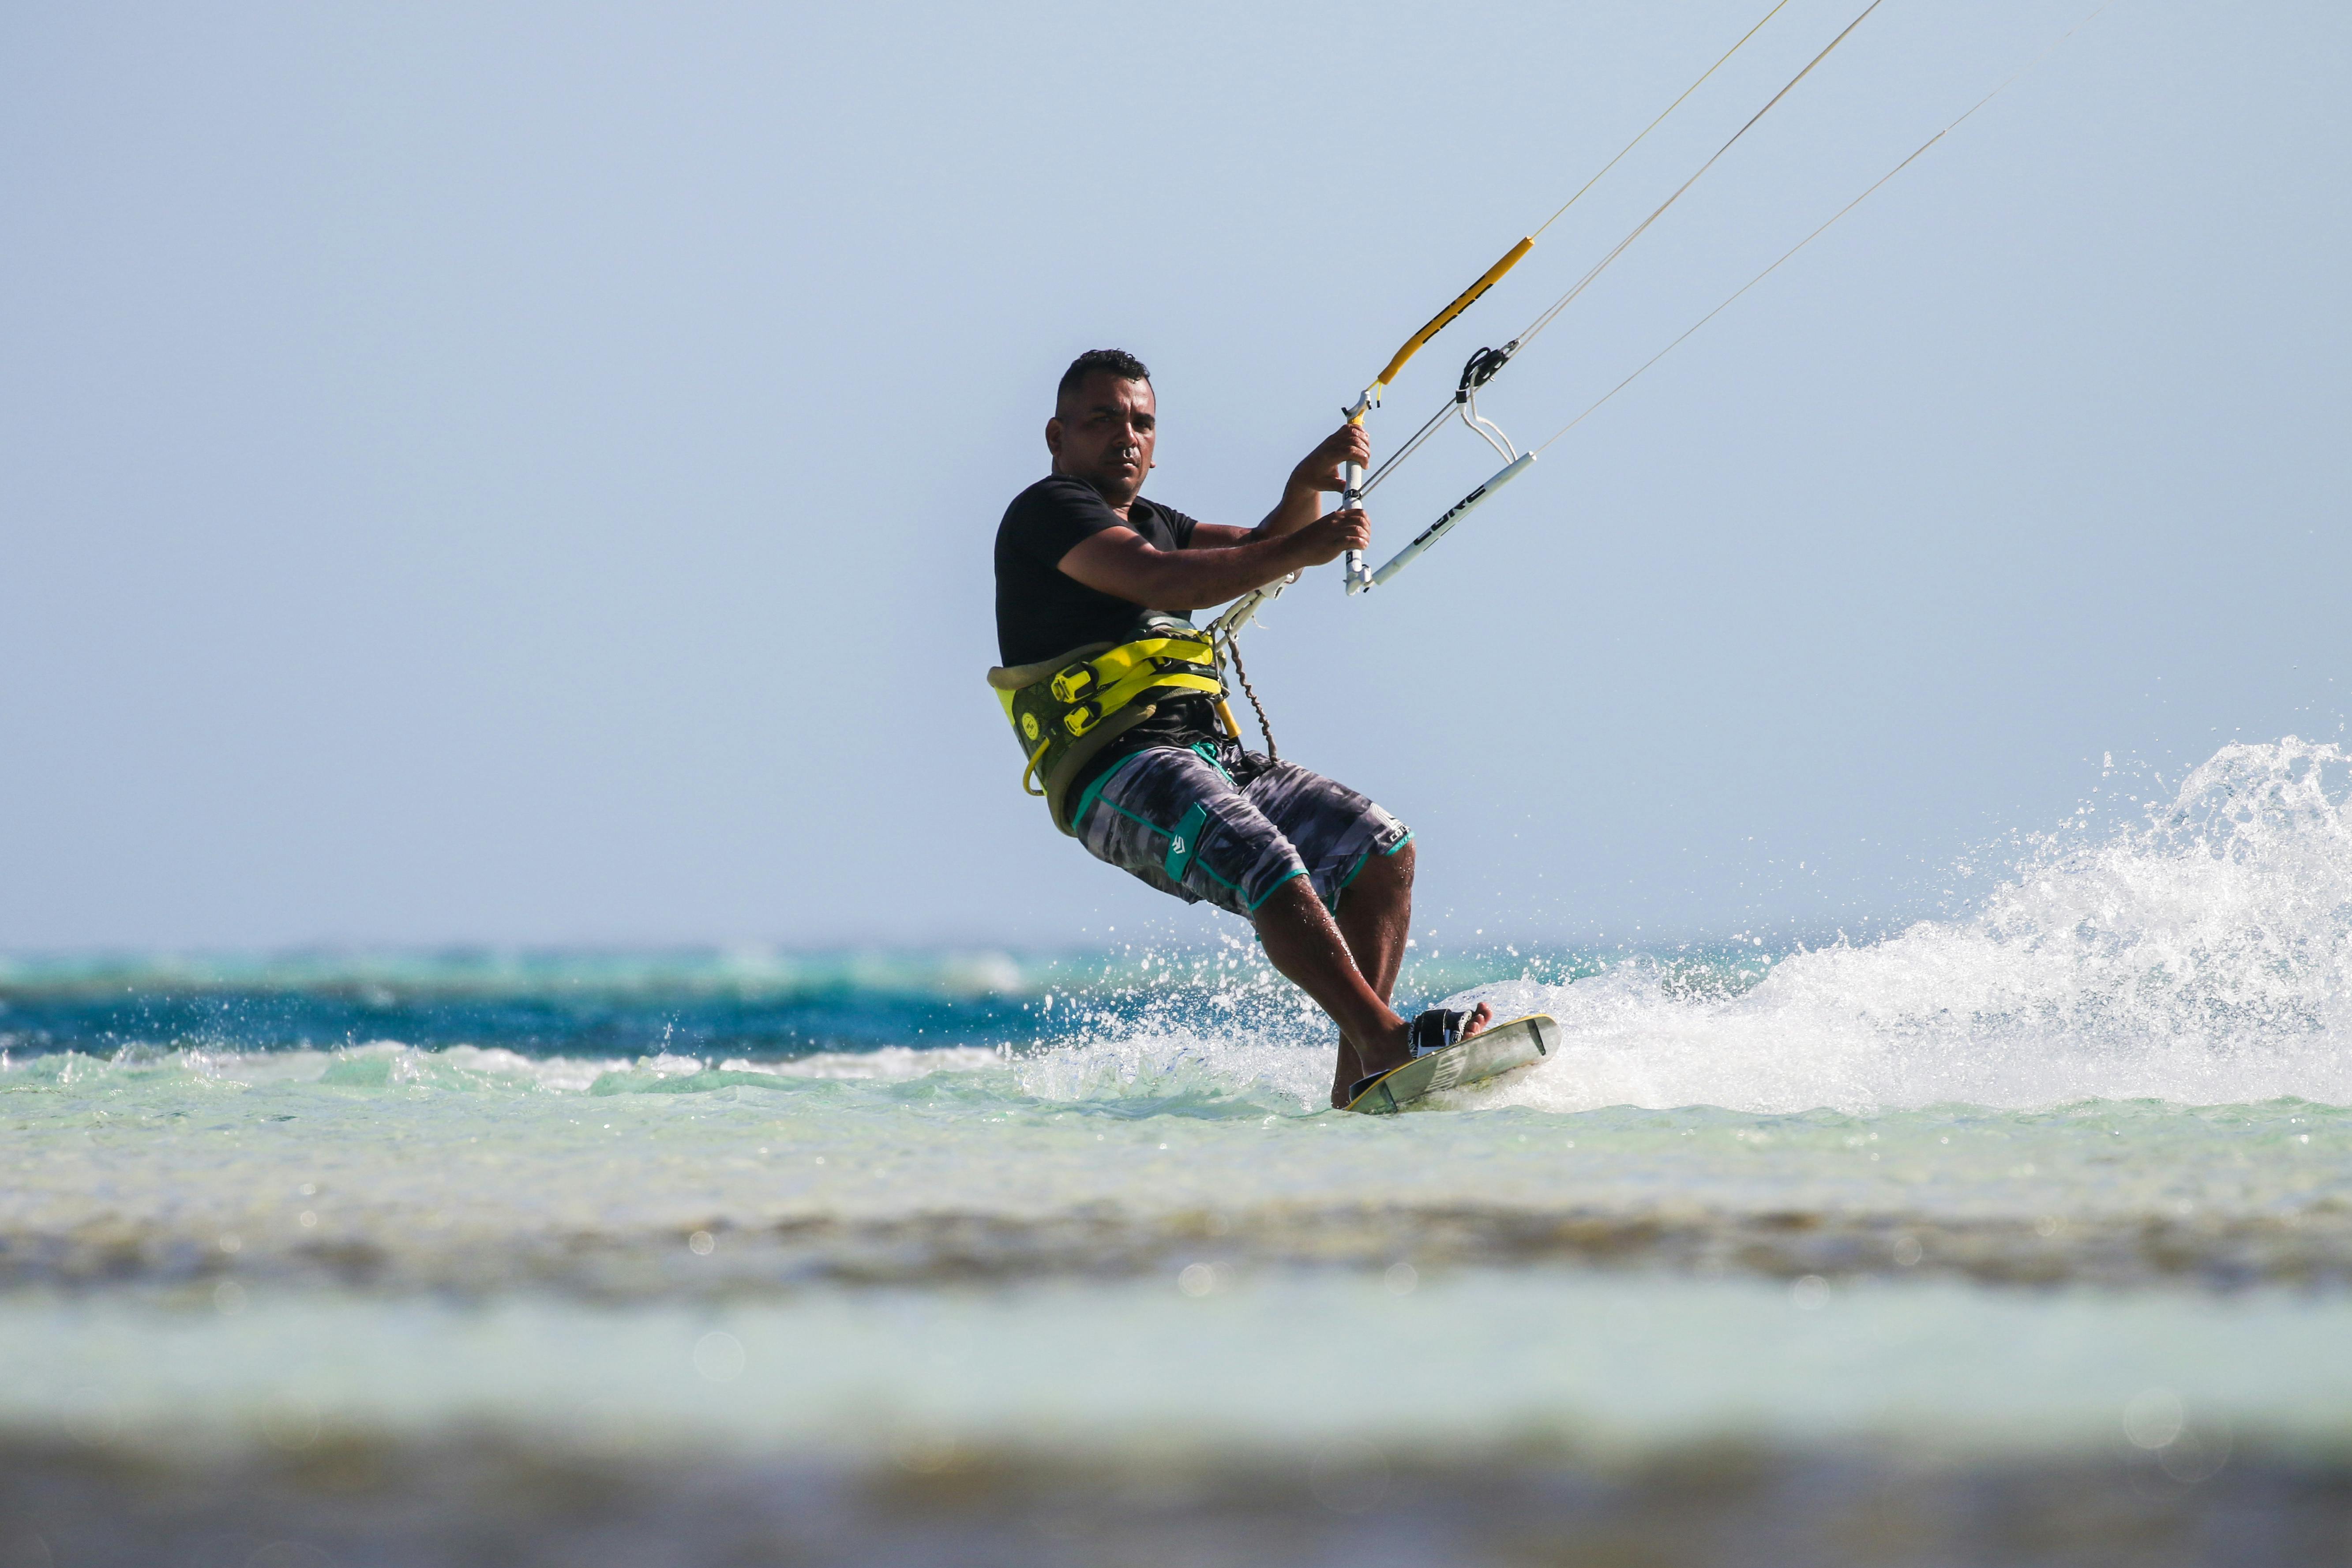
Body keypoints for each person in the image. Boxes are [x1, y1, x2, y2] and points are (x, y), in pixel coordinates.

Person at [989, 348, 1490, 1109]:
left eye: (1142, 422)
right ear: (1058, 437)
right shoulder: (1046, 511)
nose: (1126, 436)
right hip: (1114, 771)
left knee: (1381, 849)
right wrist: (1302, 545)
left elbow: (1256, 549)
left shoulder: (1159, 521)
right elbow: (1167, 581)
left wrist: (1304, 488)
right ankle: (1387, 1037)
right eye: (1102, 421)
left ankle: (1359, 1080)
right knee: (1267, 859)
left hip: (1208, 756)